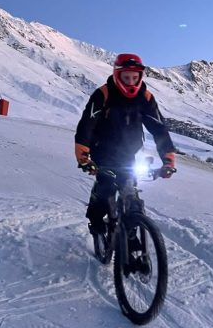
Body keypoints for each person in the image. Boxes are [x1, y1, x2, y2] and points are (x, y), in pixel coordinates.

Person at [74, 53, 176, 235]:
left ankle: (131, 238)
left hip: (130, 155)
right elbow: (86, 125)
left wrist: (168, 160)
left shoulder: (145, 97)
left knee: (131, 194)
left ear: (140, 77)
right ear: (117, 75)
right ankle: (96, 221)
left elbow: (159, 129)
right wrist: (83, 156)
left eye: (134, 77)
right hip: (102, 153)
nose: (130, 81)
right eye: (126, 77)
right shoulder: (103, 94)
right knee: (105, 189)